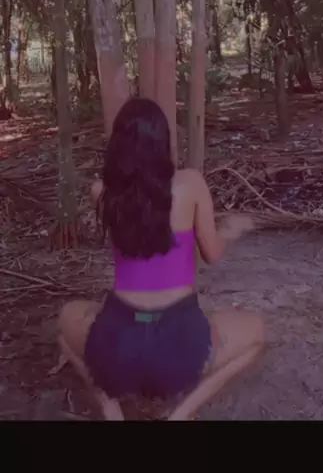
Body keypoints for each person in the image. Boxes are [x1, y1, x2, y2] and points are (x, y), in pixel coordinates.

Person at [58, 97, 265, 421]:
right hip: (179, 343)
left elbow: (140, 211)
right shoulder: (190, 185)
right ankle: (180, 416)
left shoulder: (102, 192)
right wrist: (229, 230)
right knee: (257, 334)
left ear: (118, 143)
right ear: (163, 141)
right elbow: (212, 254)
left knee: (63, 325)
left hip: (118, 342)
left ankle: (111, 408)